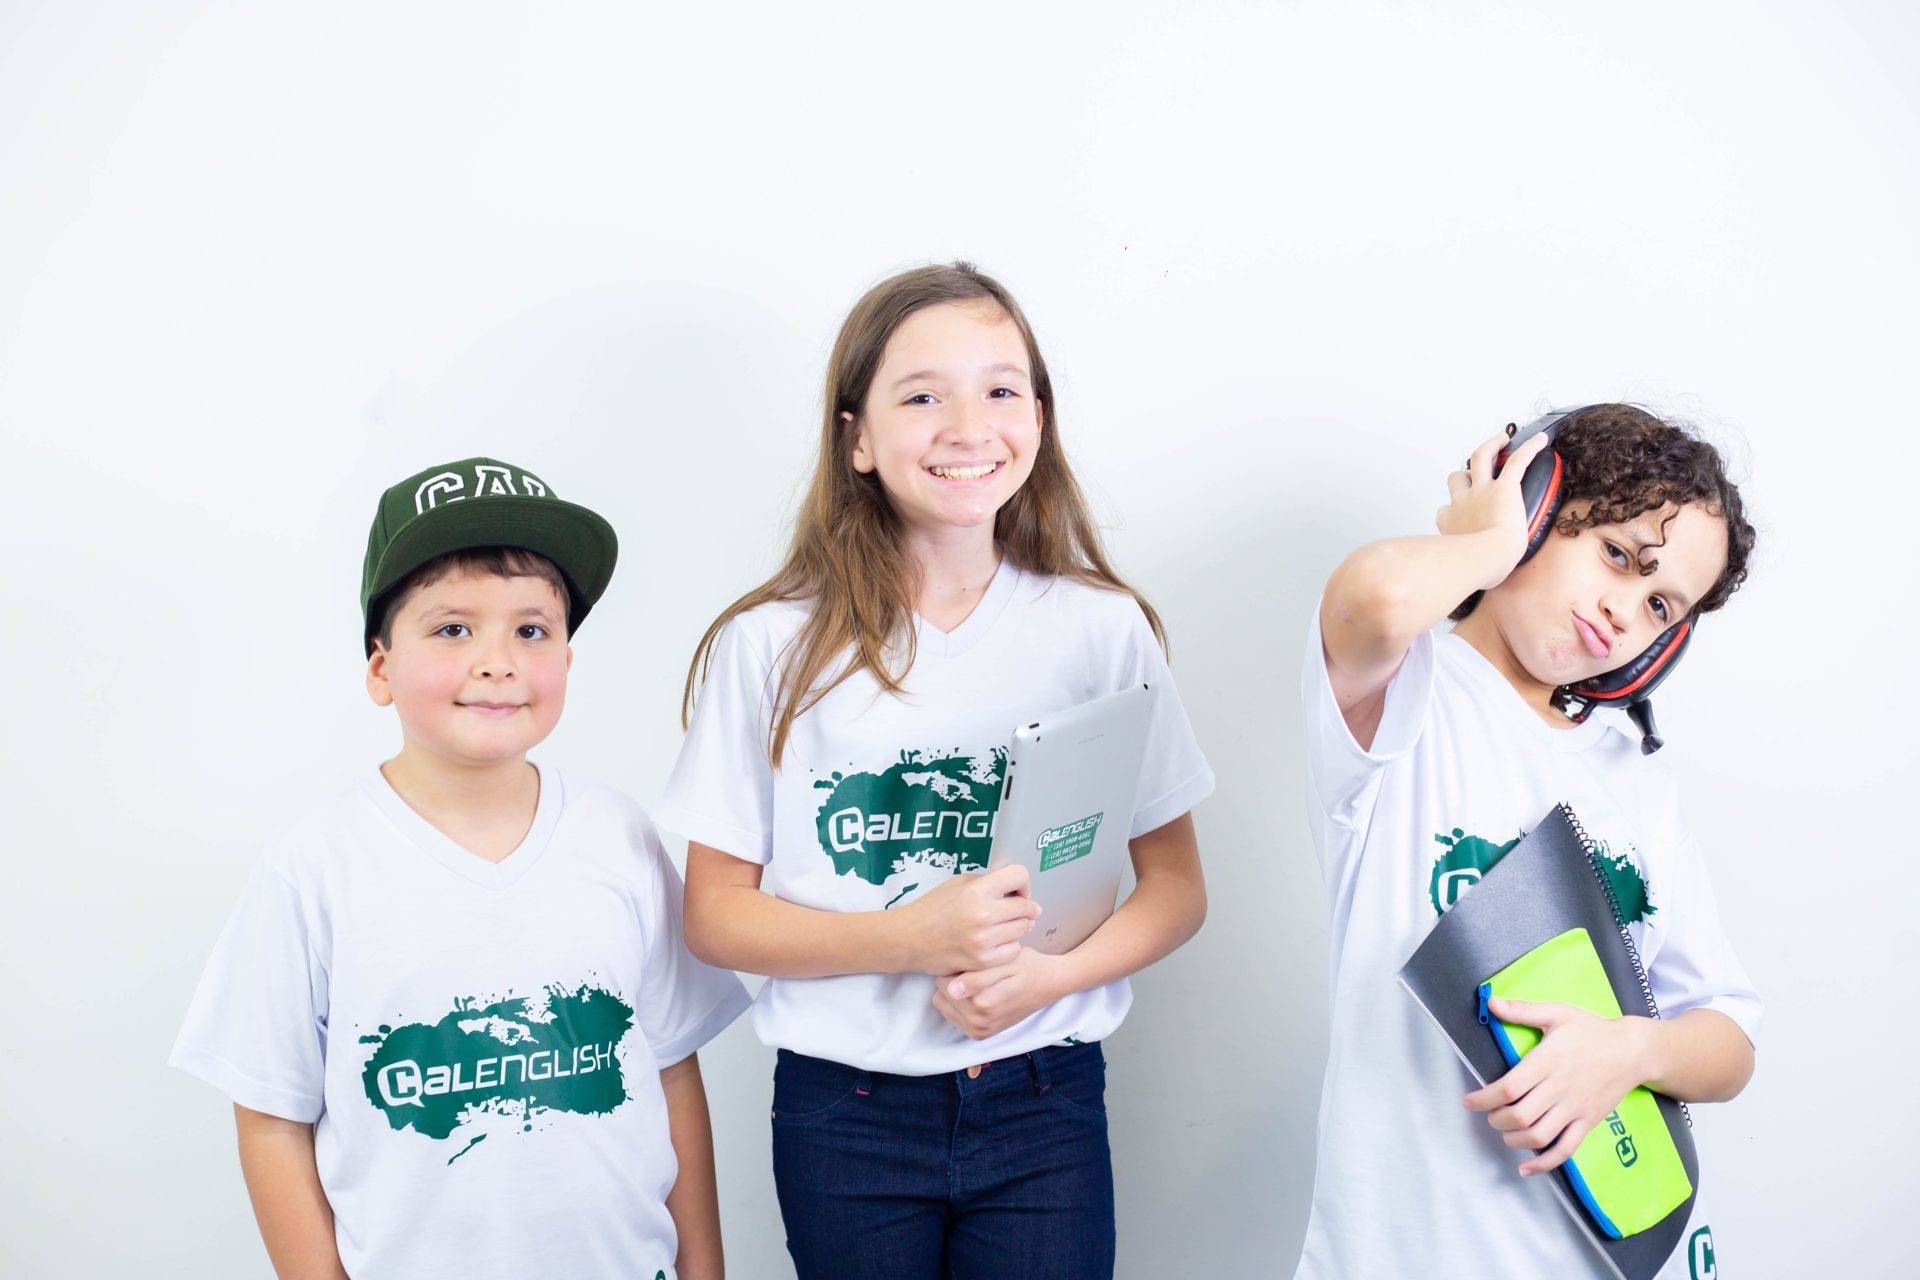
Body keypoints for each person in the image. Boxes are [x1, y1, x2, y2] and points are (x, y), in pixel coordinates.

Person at [654, 263, 1214, 1280]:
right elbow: (716, 916)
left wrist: (1048, 979)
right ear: (856, 439)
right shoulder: (769, 647)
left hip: (1044, 1098)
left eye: (1001, 389)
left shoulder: (1102, 630)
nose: (968, 425)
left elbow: (1176, 888)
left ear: (1038, 419)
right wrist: (906, 938)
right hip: (846, 1110)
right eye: (921, 396)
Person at [170, 457, 750, 1280]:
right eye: (452, 628)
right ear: (380, 668)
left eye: (531, 630)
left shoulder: (618, 837)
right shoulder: (316, 867)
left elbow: (671, 1072)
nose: (497, 659)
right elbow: (270, 1119)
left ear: (567, 660)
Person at [1299, 405, 1762, 1277]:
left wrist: (1631, 1049)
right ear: (1539, 508)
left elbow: (1729, 1040)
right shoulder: (1407, 699)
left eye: (1659, 605)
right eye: (1619, 555)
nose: (1624, 612)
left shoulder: (1634, 775)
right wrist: (1486, 542)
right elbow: (1376, 598)